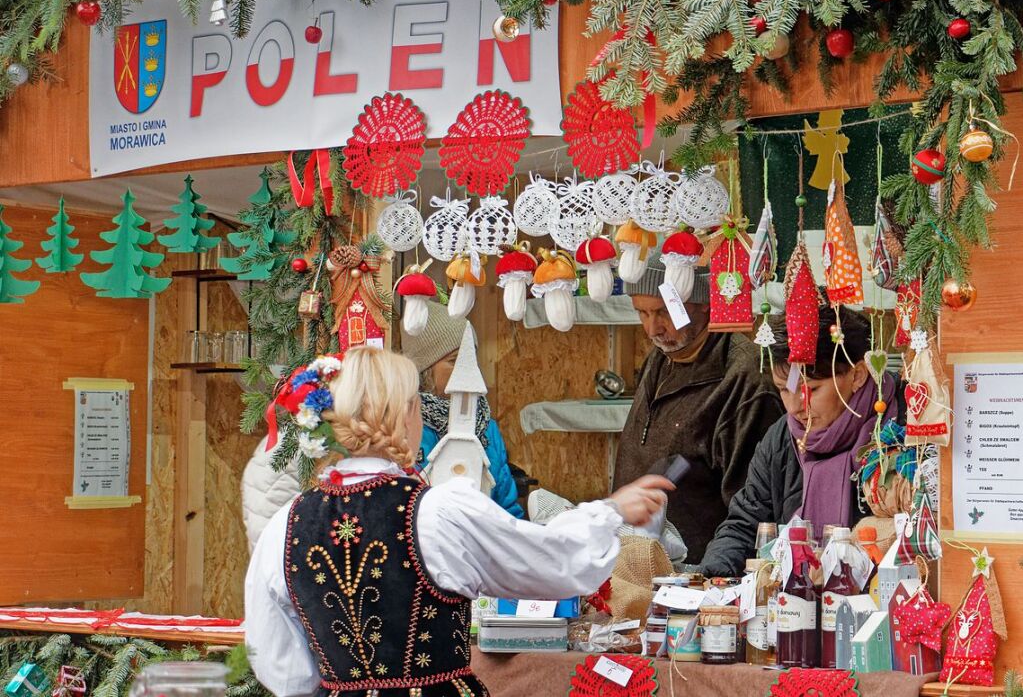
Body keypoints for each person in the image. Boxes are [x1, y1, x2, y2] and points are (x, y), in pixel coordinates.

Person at [245, 347, 673, 697]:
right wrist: (610, 510)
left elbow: (280, 663)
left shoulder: (287, 523)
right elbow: (553, 564)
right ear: (407, 414)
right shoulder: (437, 512)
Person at [700, 305, 900, 577]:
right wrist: (713, 572)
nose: (794, 407)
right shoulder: (782, 437)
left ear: (858, 375)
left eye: (811, 390)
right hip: (794, 607)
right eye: (784, 390)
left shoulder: (903, 427)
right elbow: (745, 524)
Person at [613, 246, 784, 564]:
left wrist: (717, 572)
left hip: (702, 574)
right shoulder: (664, 355)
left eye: (663, 312)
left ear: (705, 305)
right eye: (642, 313)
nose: (652, 330)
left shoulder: (745, 380)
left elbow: (754, 507)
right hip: (641, 563)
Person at [402, 301, 523, 517]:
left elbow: (506, 506)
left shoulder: (486, 426)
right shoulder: (404, 425)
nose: (465, 370)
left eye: (470, 359)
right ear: (424, 370)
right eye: (453, 361)